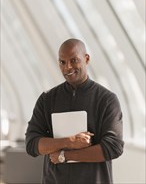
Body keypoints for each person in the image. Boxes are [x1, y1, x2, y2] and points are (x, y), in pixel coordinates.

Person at [25, 38, 124, 184]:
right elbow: (32, 144)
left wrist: (65, 156)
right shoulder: (47, 99)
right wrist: (70, 141)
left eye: (74, 60)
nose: (67, 68)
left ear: (86, 59)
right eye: (62, 62)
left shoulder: (107, 100)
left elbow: (113, 148)